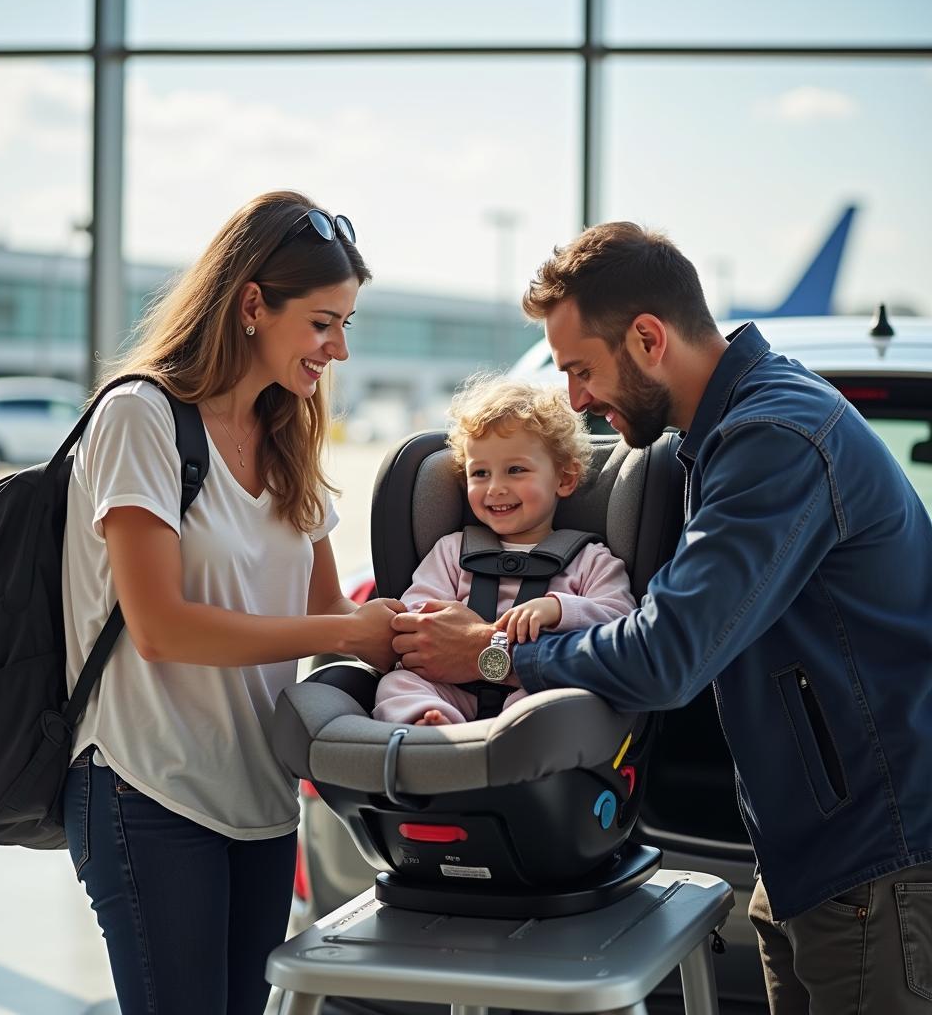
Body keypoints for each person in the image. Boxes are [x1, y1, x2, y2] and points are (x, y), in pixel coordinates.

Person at [389, 221, 932, 1014]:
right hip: (805, 855)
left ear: (648, 337)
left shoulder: (773, 439)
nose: (573, 398)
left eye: (580, 369)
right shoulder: (722, 432)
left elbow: (666, 654)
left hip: (872, 861)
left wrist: (491, 658)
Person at [60, 190, 404, 1015]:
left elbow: (328, 610)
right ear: (252, 304)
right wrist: (345, 626)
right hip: (149, 791)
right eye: (324, 323)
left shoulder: (289, 431)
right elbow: (160, 626)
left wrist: (428, 620)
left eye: (347, 324)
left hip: (259, 797)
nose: (340, 349)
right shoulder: (141, 418)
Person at [372, 375, 636, 726]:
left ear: (565, 478)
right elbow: (416, 614)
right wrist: (435, 617)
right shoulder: (452, 552)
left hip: (531, 687)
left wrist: (558, 609)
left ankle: (504, 743)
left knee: (555, 700)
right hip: (450, 687)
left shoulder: (592, 560)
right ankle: (434, 728)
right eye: (480, 473)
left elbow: (621, 622)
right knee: (398, 683)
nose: (495, 488)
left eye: (516, 470)